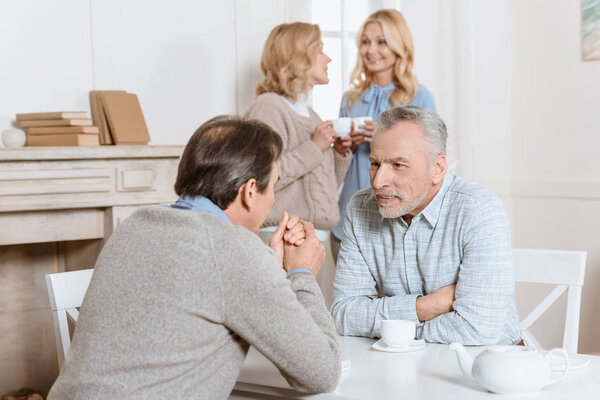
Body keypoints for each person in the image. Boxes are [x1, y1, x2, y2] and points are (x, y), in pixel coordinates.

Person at [47, 116, 341, 400]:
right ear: (250, 191)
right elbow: (322, 372)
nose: (274, 199)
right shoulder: (234, 250)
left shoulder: (135, 225)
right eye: (274, 185)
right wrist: (301, 273)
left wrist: (267, 268)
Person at [331, 106, 521, 345]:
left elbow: (478, 329)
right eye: (375, 164)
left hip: (487, 368)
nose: (379, 182)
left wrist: (394, 329)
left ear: (437, 169)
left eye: (398, 165)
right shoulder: (360, 208)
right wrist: (429, 306)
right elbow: (343, 315)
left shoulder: (479, 210)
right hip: (406, 367)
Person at [245, 22, 352, 302]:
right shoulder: (268, 108)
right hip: (280, 238)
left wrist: (338, 154)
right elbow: (262, 177)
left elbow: (323, 187)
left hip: (308, 238)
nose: (328, 59)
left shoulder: (311, 115)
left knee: (308, 323)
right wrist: (314, 147)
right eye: (320, 51)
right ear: (298, 57)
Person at [331, 9, 437, 259]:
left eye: (381, 42)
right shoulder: (350, 99)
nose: (371, 50)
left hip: (400, 220)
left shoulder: (419, 97)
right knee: (350, 298)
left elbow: (430, 158)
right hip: (350, 217)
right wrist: (343, 148)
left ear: (398, 45)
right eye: (365, 42)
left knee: (393, 299)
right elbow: (337, 167)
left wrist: (381, 138)